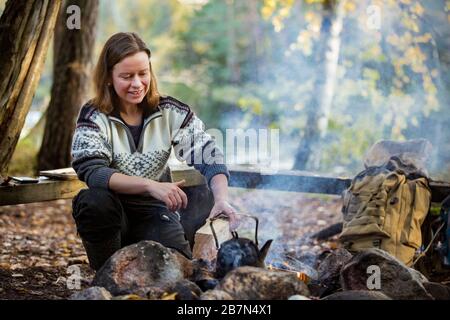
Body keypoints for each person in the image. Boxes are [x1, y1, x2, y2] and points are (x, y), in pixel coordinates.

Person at [71, 32, 238, 271]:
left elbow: (208, 154)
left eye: (143, 73)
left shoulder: (170, 110)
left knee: (176, 270)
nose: (137, 83)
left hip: (155, 212)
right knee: (93, 201)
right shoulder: (93, 115)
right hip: (112, 214)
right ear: (108, 77)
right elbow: (93, 172)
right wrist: (151, 185)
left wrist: (222, 199)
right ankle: (106, 267)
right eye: (127, 76)